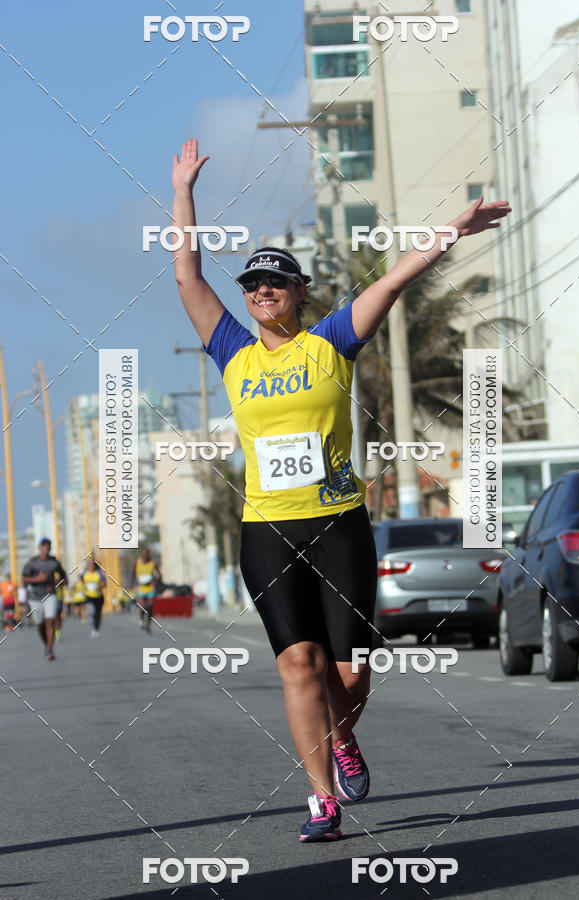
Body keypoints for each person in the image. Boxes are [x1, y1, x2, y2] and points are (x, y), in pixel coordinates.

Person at [172, 138, 511, 841]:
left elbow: (397, 277)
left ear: (300, 292)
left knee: (349, 677)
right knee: (299, 664)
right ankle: (320, 797)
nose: (262, 291)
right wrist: (184, 193)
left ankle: (343, 734)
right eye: (253, 285)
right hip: (268, 530)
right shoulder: (232, 351)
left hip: (338, 524)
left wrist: (454, 229)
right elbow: (186, 274)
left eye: (276, 282)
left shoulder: (331, 340)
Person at [22, 538, 68, 661]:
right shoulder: (32, 563)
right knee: (40, 624)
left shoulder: (55, 563)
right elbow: (24, 579)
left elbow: (65, 579)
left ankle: (49, 649)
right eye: (43, 545)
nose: (46, 547)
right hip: (35, 597)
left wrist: (55, 583)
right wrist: (38, 579)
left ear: (50, 547)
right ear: (40, 548)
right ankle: (47, 645)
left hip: (50, 595)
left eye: (48, 545)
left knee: (50, 622)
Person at [131, 547, 161, 632]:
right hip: (141, 587)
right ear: (142, 554)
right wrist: (132, 584)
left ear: (148, 554)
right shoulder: (137, 563)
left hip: (150, 588)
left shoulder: (153, 564)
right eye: (143, 554)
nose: (145, 556)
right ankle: (141, 618)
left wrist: (155, 582)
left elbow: (159, 576)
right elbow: (133, 574)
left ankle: (148, 625)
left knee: (150, 606)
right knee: (142, 606)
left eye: (146, 554)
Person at [81, 557, 106, 638]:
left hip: (98, 597)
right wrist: (84, 586)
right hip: (89, 596)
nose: (91, 566)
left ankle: (96, 629)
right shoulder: (84, 573)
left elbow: (104, 583)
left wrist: (99, 586)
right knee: (92, 612)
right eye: (90, 564)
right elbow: (81, 581)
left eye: (93, 564)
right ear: (88, 565)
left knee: (98, 614)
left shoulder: (99, 573)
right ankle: (93, 624)